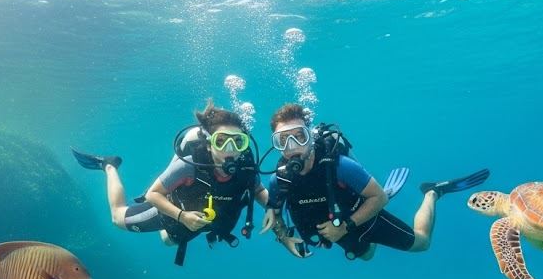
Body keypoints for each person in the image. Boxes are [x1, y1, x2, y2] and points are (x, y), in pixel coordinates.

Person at [260, 103, 489, 260]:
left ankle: (432, 193)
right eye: (283, 140)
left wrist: (346, 227)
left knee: (421, 243)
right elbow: (275, 213)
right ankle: (366, 240)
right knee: (368, 256)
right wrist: (284, 238)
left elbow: (379, 197)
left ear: (311, 137)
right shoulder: (278, 180)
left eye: (299, 137)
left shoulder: (339, 166)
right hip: (333, 229)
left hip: (362, 218)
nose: (292, 147)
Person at [72, 101, 269, 266]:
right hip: (174, 209)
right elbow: (152, 194)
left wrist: (273, 210)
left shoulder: (246, 169)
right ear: (209, 143)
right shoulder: (189, 165)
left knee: (168, 240)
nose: (230, 149)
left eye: (238, 142)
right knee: (117, 218)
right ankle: (108, 166)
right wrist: (182, 217)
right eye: (221, 141)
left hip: (200, 220)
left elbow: (258, 190)